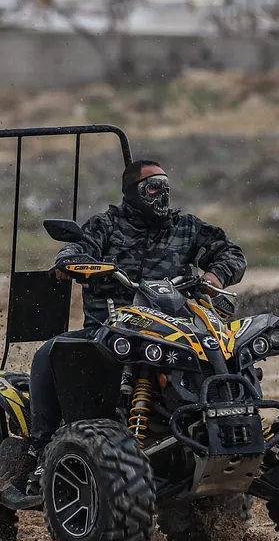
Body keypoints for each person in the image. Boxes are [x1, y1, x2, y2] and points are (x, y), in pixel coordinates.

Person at [19, 159, 247, 494]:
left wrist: (213, 277)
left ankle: (228, 429)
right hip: (110, 330)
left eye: (165, 188)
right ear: (132, 192)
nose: (161, 195)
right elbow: (77, 248)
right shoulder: (106, 226)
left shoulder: (185, 228)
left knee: (228, 349)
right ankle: (40, 450)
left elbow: (231, 253)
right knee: (50, 352)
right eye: (153, 188)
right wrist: (70, 263)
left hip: (172, 332)